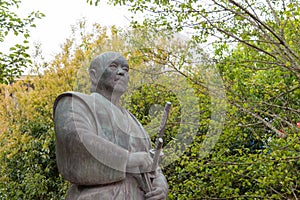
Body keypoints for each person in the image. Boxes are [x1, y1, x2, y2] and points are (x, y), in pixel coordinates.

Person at [53, 52, 168, 200]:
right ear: (94, 75)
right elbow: (77, 140)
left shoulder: (134, 122)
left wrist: (160, 183)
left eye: (125, 69)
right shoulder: (75, 103)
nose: (121, 72)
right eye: (113, 66)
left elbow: (150, 163)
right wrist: (128, 160)